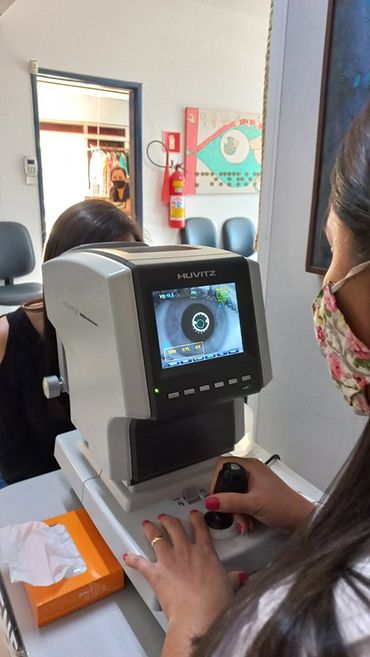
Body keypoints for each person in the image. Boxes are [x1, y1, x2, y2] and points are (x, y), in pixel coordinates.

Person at [124, 102, 370, 657]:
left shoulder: (324, 627)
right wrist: (316, 521)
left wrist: (196, 622)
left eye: (334, 252)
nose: (327, 283)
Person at [0, 200, 142, 485]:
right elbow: (15, 459)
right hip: (46, 483)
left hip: (116, 480)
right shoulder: (9, 336)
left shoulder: (134, 327)